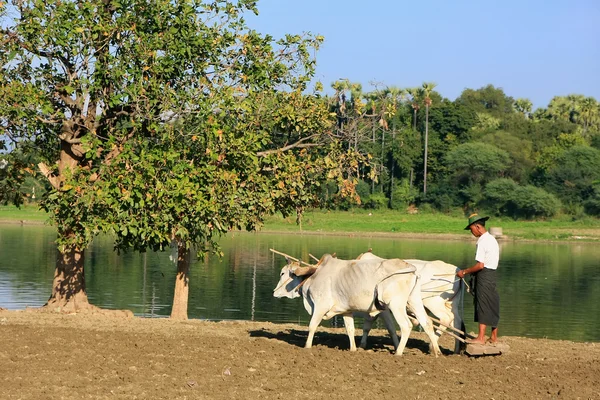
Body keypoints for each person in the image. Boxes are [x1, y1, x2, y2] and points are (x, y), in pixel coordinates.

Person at [456, 213, 500, 345]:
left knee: (483, 304)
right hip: (492, 274)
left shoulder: (482, 241)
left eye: (471, 229)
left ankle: (480, 338)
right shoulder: (492, 239)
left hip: (484, 275)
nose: (472, 232)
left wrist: (464, 271)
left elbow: (480, 265)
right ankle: (493, 337)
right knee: (492, 303)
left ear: (477, 226)